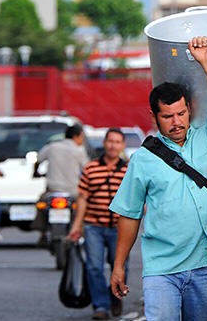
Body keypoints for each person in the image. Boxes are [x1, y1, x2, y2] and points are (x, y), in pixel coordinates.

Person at [109, 35, 207, 321]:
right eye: (168, 116)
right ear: (154, 117)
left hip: (206, 264)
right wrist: (119, 264)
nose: (177, 122)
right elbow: (129, 214)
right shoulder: (143, 159)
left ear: (190, 109)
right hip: (161, 268)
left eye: (181, 113)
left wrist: (206, 61)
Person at [67, 128, 129, 320]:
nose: (113, 145)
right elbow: (83, 198)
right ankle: (100, 306)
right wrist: (77, 225)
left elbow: (136, 198)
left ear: (122, 146)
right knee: (94, 266)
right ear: (104, 143)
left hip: (119, 228)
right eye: (110, 141)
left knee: (119, 265)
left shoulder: (129, 170)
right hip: (93, 225)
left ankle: (115, 296)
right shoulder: (91, 168)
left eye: (117, 142)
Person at [33, 123, 89, 198]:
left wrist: (36, 173)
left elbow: (38, 160)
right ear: (76, 136)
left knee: (41, 203)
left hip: (53, 189)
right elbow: (87, 169)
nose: (82, 140)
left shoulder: (52, 146)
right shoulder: (79, 150)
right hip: (73, 191)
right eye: (82, 137)